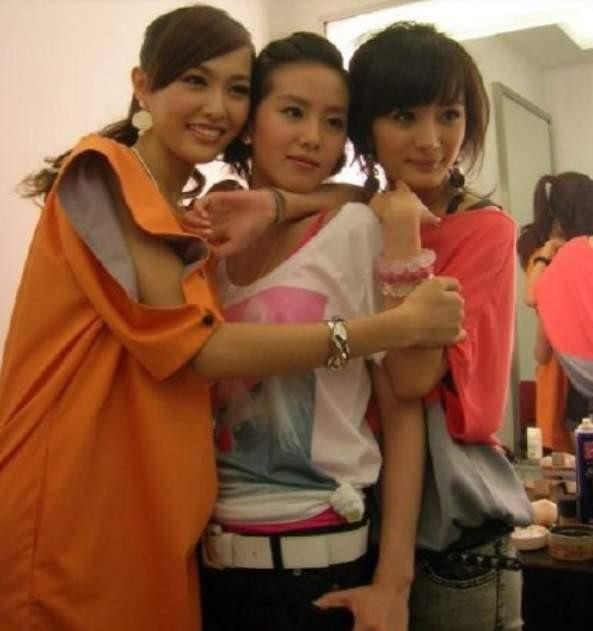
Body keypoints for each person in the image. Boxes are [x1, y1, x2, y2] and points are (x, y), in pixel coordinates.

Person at [0, 8, 464, 631]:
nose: (217, 106)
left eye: (236, 88)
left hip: (234, 538)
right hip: (91, 511)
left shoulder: (284, 223)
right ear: (143, 87)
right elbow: (201, 350)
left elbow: (402, 402)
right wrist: (397, 325)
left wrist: (393, 581)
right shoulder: (132, 188)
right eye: (196, 80)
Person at [194, 22, 533, 631]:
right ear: (369, 129)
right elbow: (349, 197)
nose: (431, 140)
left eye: (450, 115)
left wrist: (399, 236)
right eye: (404, 116)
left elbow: (411, 380)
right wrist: (278, 203)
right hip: (363, 520)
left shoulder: (478, 230)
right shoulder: (357, 211)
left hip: (454, 529)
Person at [197, 31, 434, 631]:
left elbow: (402, 408)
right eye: (293, 112)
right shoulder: (212, 238)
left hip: (319, 561)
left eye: (333, 122)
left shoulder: (354, 229)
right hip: (208, 562)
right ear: (249, 122)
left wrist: (394, 583)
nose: (313, 137)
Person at [518, 172, 593, 448]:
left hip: (571, 386)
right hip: (567, 390)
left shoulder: (550, 258)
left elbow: (533, 299)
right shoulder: (561, 257)